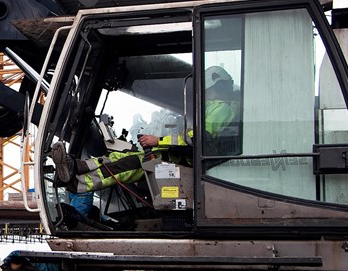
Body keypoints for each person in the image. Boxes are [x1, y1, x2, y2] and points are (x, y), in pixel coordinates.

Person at [51, 65, 239, 194]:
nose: (205, 92)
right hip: (185, 157)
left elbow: (197, 139)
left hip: (188, 161)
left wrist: (158, 141)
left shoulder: (222, 108)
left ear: (215, 86)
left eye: (208, 89)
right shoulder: (219, 108)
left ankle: (75, 183)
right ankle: (75, 166)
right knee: (123, 155)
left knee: (131, 164)